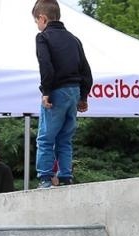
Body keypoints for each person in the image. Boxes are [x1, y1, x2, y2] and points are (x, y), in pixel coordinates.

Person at [32, 0, 92, 189]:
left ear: (43, 18)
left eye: (36, 21)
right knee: (65, 138)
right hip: (74, 92)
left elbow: (46, 66)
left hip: (57, 91)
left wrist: (46, 91)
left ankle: (45, 178)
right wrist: (83, 96)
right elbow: (86, 71)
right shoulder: (74, 39)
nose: (37, 25)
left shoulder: (43, 37)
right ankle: (66, 177)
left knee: (45, 138)